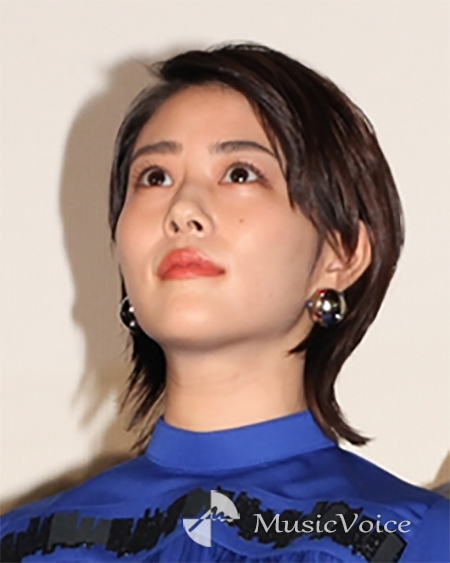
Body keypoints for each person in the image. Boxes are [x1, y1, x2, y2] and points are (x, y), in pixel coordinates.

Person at [1, 42, 448, 563]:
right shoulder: (22, 544)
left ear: (340, 254)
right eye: (154, 177)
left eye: (240, 173)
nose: (182, 210)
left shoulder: (418, 539)